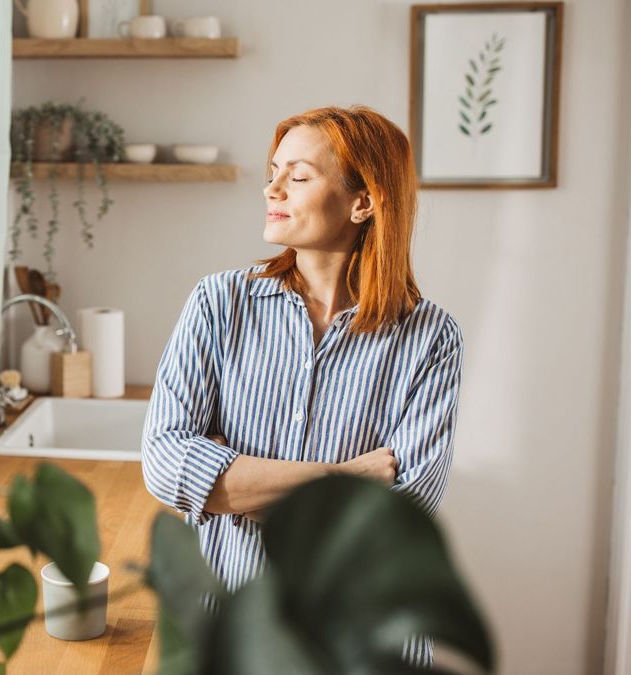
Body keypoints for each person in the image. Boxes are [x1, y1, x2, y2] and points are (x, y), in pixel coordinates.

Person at [141, 105, 464, 668]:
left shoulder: (431, 337)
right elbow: (167, 465)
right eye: (273, 171)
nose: (272, 188)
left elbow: (396, 517)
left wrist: (236, 486)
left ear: (363, 201)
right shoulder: (220, 304)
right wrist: (347, 476)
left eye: (299, 176)